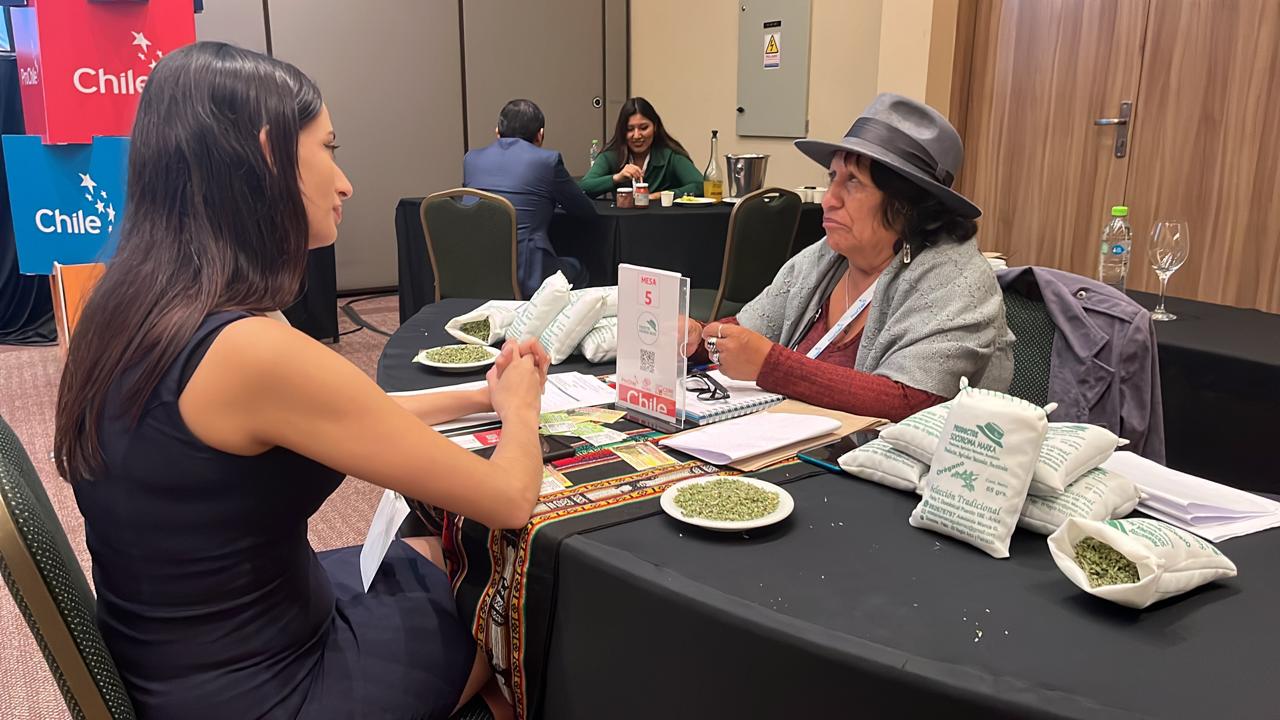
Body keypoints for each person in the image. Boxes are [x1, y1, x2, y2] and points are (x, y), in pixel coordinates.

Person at [55, 42, 547, 720]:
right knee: (514, 616)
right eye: (328, 149)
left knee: (437, 556)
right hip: (265, 689)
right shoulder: (249, 350)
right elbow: (509, 499)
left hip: (179, 656)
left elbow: (352, 419)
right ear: (269, 155)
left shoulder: (127, 304)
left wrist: (480, 393)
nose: (344, 183)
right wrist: (520, 410)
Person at [684, 93, 1014, 422]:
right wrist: (699, 339)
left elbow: (910, 402)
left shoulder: (959, 279)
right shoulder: (826, 257)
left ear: (907, 203)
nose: (829, 199)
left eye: (853, 182)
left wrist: (772, 366)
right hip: (793, 443)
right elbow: (749, 330)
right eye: (833, 178)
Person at [464, 98, 596, 298]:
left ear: (497, 132)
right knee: (578, 269)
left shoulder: (471, 159)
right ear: (540, 135)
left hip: (474, 269)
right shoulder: (548, 161)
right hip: (526, 274)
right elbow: (584, 210)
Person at [578, 96, 703, 198]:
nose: (637, 135)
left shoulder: (670, 155)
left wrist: (661, 195)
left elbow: (701, 185)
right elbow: (583, 188)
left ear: (655, 127)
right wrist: (617, 178)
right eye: (629, 129)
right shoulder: (611, 156)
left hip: (663, 220)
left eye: (643, 128)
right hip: (623, 220)